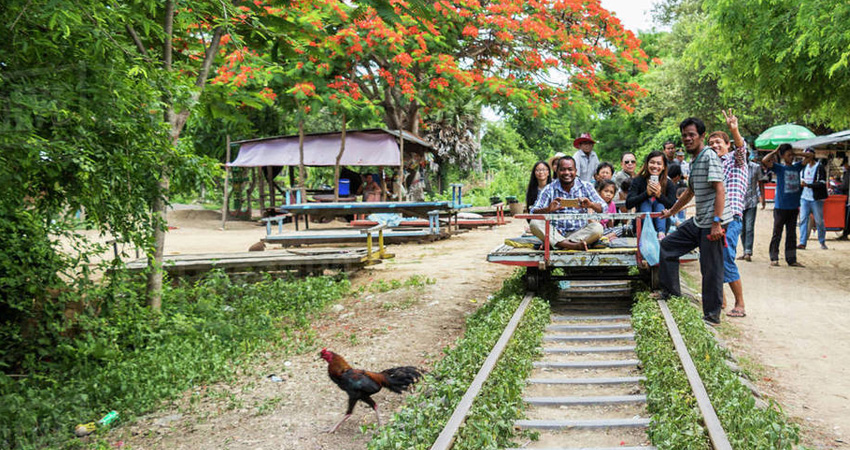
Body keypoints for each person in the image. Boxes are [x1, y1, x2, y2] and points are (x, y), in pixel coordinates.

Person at [657, 117, 732, 325]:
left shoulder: (709, 157)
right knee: (667, 246)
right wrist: (671, 211)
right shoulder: (694, 160)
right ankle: (671, 294)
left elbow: (720, 189)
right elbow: (690, 191)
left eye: (691, 135)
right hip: (700, 220)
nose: (687, 139)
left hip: (713, 222)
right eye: (684, 135)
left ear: (701, 136)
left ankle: (712, 316)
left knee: (710, 267)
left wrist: (717, 223)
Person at [707, 109, 748, 317]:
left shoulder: (736, 160)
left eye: (718, 143)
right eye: (711, 144)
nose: (715, 146)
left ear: (727, 145)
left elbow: (741, 148)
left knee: (726, 257)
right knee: (712, 258)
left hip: (731, 219)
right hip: (713, 219)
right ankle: (720, 300)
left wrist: (734, 129)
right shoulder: (710, 165)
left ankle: (739, 304)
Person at [530, 156, 605, 250]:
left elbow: (604, 207)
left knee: (597, 228)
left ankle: (557, 244)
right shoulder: (549, 189)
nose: (566, 173)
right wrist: (548, 209)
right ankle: (572, 246)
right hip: (556, 232)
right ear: (557, 171)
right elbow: (533, 212)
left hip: (580, 233)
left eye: (570, 169)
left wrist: (591, 205)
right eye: (562, 170)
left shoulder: (586, 186)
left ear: (576, 171)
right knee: (534, 223)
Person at [763, 143, 805, 267]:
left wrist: (796, 153)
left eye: (792, 155)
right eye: (788, 155)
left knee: (791, 234)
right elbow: (765, 160)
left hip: (793, 207)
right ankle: (774, 257)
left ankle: (791, 259)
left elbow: (810, 157)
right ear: (783, 156)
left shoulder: (797, 167)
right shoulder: (779, 168)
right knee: (777, 233)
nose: (791, 157)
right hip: (781, 207)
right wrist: (775, 151)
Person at [626, 151, 677, 239]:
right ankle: (648, 232)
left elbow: (673, 206)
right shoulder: (638, 180)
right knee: (646, 202)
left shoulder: (668, 183)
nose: (655, 166)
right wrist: (646, 194)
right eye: (652, 162)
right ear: (647, 164)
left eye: (659, 163)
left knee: (660, 205)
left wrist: (659, 195)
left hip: (662, 224)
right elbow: (628, 203)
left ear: (663, 167)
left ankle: (661, 234)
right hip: (641, 224)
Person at [797, 147, 828, 250]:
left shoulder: (819, 167)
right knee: (803, 219)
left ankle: (822, 241)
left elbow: (822, 183)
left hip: (816, 198)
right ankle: (802, 242)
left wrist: (808, 185)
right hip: (804, 197)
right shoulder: (803, 168)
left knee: (819, 220)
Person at [738, 155, 767, 261]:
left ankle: (748, 252)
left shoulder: (755, 167)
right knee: (741, 229)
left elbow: (761, 182)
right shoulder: (735, 166)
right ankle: (745, 249)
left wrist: (762, 198)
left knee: (749, 227)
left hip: (752, 201)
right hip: (739, 202)